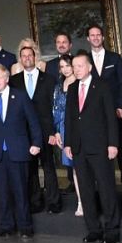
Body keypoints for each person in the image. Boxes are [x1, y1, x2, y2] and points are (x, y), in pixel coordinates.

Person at [0, 63, 43, 238]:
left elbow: (33, 122)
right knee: (3, 192)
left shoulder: (20, 96)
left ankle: (25, 227)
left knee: (21, 191)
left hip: (19, 151)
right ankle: (6, 226)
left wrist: (36, 143)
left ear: (7, 79)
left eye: (0, 77)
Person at [63, 50, 121, 243]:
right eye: (74, 66)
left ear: (89, 67)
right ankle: (93, 229)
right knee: (86, 190)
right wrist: (68, 143)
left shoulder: (102, 86)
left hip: (100, 146)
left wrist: (113, 143)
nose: (76, 70)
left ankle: (111, 230)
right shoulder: (71, 89)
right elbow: (70, 119)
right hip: (79, 148)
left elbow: (110, 118)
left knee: (106, 188)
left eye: (80, 66)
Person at [12, 44, 59, 213]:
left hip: (46, 131)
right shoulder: (14, 80)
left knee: (48, 167)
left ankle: (53, 202)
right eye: (23, 56)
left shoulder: (49, 79)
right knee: (30, 169)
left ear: (35, 58)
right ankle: (35, 202)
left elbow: (54, 107)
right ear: (20, 59)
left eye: (29, 55)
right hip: (24, 132)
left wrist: (53, 131)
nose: (27, 58)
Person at [86, 25, 122, 194]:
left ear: (103, 38)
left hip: (114, 112)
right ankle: (105, 185)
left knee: (120, 149)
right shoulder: (85, 59)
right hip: (93, 115)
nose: (96, 38)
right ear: (88, 39)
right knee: (99, 150)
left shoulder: (115, 58)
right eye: (92, 35)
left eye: (98, 35)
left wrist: (120, 106)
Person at [52, 55, 76, 214]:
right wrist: (57, 131)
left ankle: (87, 200)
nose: (65, 69)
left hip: (77, 128)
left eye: (67, 65)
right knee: (74, 168)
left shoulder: (80, 82)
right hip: (63, 128)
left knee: (82, 167)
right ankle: (81, 201)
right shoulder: (59, 86)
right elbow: (55, 109)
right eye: (62, 66)